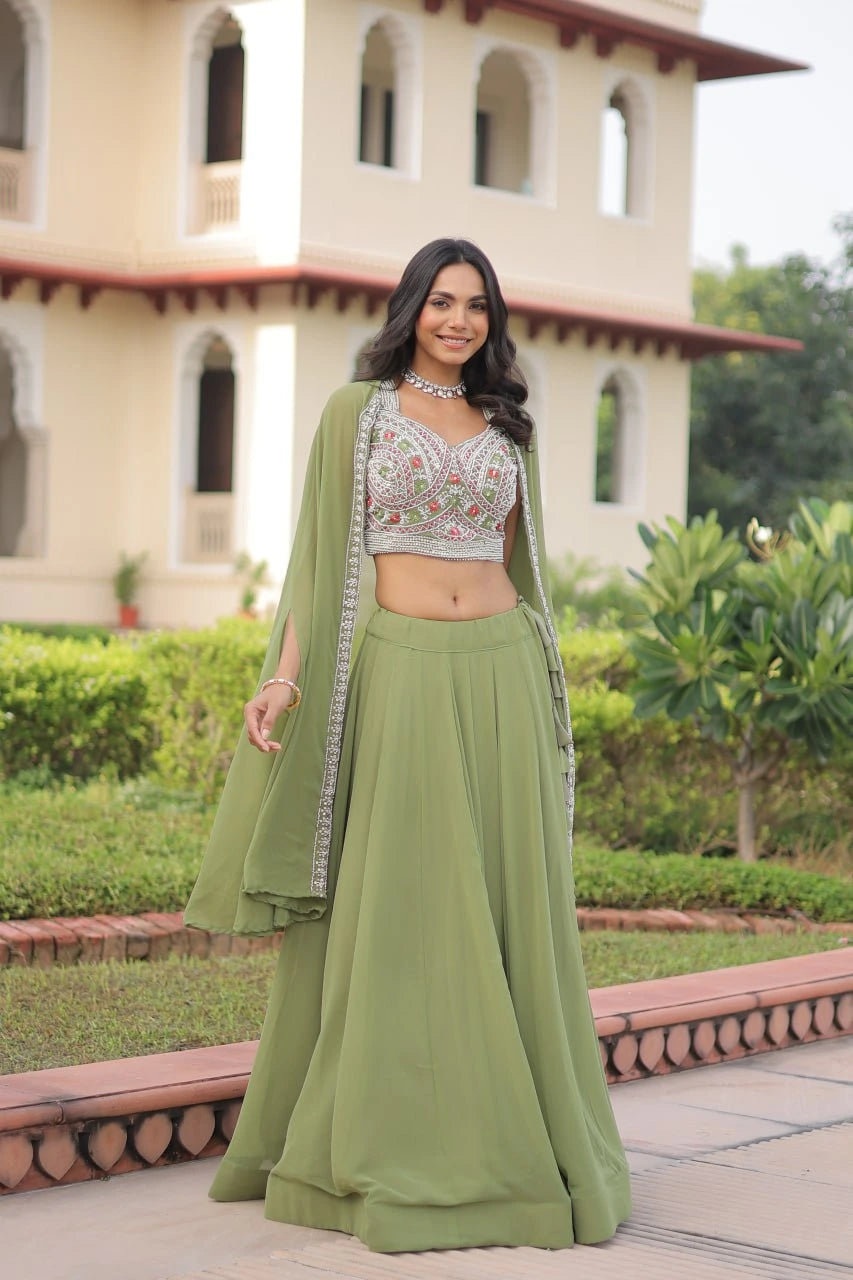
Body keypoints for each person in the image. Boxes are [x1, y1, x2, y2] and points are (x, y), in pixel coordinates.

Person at [184, 238, 632, 1254]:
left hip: (504, 669)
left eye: (476, 305)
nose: (459, 320)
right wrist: (285, 675)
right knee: (402, 902)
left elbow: (526, 560)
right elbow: (317, 563)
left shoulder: (507, 427)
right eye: (442, 302)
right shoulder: (360, 412)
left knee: (508, 903)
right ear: (411, 310)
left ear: (491, 320)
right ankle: (387, 1139)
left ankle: (530, 1142)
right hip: (398, 673)